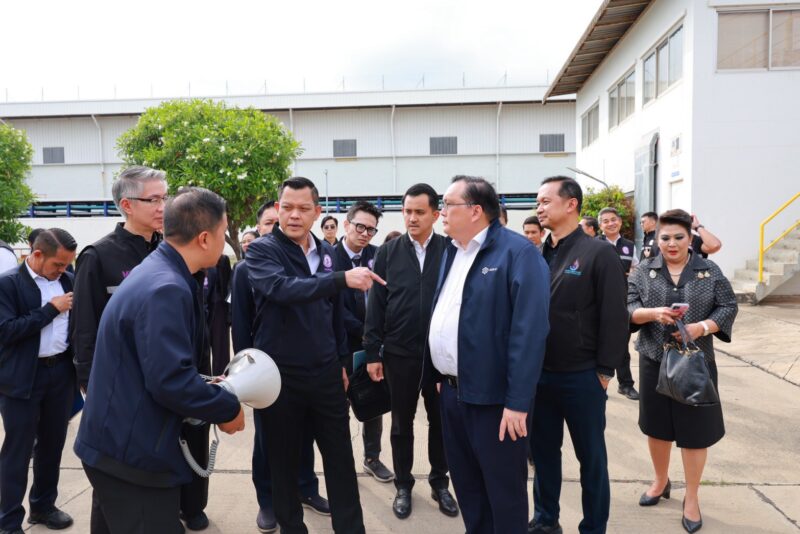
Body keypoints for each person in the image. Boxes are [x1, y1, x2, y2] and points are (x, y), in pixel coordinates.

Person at [74, 188, 245, 534]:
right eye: (222, 232)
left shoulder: (159, 271)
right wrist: (227, 407)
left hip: (115, 445)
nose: (224, 242)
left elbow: (155, 365)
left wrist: (203, 384)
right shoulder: (166, 287)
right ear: (204, 238)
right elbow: (169, 382)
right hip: (132, 456)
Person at [247, 177, 381, 534]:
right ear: (278, 209)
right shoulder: (262, 251)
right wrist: (339, 279)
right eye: (287, 207)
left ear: (317, 211)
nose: (294, 215)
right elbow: (281, 289)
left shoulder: (326, 252)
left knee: (340, 458)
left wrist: (341, 360)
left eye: (303, 208)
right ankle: (292, 527)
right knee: (283, 461)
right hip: (280, 376)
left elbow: (334, 313)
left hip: (325, 373)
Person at [427, 176, 550, 534]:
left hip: (496, 402)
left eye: (448, 204)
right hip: (453, 393)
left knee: (504, 494)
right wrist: (441, 375)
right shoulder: (453, 251)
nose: (441, 212)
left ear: (475, 211)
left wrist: (517, 402)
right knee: (468, 488)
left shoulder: (518, 253)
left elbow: (530, 333)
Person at [628, 209, 737, 534]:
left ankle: (692, 497)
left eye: (679, 237)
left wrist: (701, 327)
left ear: (691, 239)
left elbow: (728, 306)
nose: (672, 243)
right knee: (657, 428)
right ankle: (660, 481)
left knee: (695, 432)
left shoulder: (709, 270)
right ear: (656, 238)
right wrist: (652, 313)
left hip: (696, 363)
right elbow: (628, 307)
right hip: (653, 360)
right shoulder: (644, 270)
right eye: (665, 238)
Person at [530, 176, 628, 534]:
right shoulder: (537, 254)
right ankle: (545, 520)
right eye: (538, 202)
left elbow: (615, 316)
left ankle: (594, 526)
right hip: (539, 376)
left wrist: (604, 370)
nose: (539, 208)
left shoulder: (598, 253)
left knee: (591, 459)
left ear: (571, 204)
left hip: (582, 376)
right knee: (543, 455)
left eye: (545, 201)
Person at [231, 200, 329, 533]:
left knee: (304, 436)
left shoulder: (308, 262)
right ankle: (268, 501)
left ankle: (306, 489)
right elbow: (242, 326)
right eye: (270, 223)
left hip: (305, 369)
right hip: (265, 373)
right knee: (268, 443)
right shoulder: (245, 270)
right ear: (260, 229)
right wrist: (245, 374)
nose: (281, 225)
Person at [364, 183, 457, 520]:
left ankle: (440, 482)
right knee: (401, 423)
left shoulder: (450, 251)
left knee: (440, 422)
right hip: (399, 354)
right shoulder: (388, 252)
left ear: (436, 214)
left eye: (420, 212)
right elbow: (376, 304)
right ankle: (403, 485)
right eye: (407, 211)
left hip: (439, 357)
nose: (412, 218)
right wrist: (373, 353)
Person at [0, 228, 77, 533]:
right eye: (58, 264)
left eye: (67, 264)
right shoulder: (8, 284)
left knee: (52, 445)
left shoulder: (69, 280)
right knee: (17, 451)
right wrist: (49, 310)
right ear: (37, 254)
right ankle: (8, 521)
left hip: (60, 373)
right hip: (22, 377)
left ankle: (43, 507)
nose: (63, 269)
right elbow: (6, 331)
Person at [333, 201, 393, 483]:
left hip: (372, 346)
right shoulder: (329, 258)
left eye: (371, 229)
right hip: (341, 344)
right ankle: (342, 462)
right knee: (339, 407)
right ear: (346, 224)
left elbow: (386, 298)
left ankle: (372, 458)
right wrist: (366, 330)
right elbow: (332, 306)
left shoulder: (378, 255)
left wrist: (375, 336)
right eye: (360, 227)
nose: (365, 233)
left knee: (373, 401)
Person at [597, 207, 640, 401]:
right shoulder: (594, 244)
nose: (610, 224)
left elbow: (636, 269)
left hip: (623, 301)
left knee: (621, 345)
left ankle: (626, 384)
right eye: (605, 221)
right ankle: (597, 386)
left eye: (613, 219)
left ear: (620, 222)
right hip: (599, 301)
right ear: (600, 225)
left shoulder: (629, 245)